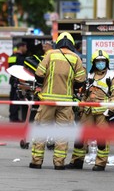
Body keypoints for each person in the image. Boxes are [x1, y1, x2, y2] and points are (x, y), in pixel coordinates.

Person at [29, 32, 86, 170]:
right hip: (66, 102)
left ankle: (37, 162)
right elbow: (81, 81)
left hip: (47, 100)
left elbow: (39, 74)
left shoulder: (50, 54)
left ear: (58, 42)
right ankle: (59, 163)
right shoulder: (76, 58)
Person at [66, 49, 114, 171]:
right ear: (93, 63)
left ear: (106, 62)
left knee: (102, 140)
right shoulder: (90, 76)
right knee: (80, 139)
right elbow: (85, 95)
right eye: (98, 61)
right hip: (88, 112)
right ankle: (77, 161)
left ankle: (100, 164)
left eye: (103, 61)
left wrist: (111, 110)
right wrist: (80, 108)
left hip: (103, 113)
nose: (100, 63)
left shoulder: (112, 76)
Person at [8, 42, 28, 122]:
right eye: (25, 47)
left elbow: (10, 67)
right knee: (16, 98)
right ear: (21, 47)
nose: (26, 49)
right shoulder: (21, 58)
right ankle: (14, 118)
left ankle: (12, 116)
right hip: (18, 81)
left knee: (12, 98)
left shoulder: (12, 57)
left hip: (13, 80)